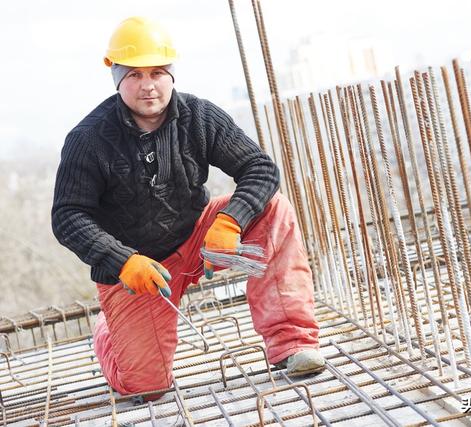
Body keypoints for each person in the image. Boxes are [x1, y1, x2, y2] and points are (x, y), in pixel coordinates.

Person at [51, 16, 324, 400]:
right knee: (147, 388)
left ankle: (292, 343)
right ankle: (108, 331)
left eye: (158, 72)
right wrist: (122, 260)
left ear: (171, 74)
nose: (148, 85)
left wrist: (230, 221)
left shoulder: (199, 116)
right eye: (134, 75)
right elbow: (68, 216)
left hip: (198, 237)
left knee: (271, 208)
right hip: (139, 270)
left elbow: (259, 169)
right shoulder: (88, 139)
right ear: (116, 78)